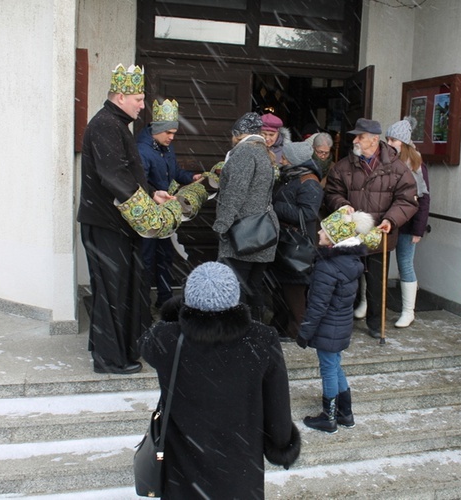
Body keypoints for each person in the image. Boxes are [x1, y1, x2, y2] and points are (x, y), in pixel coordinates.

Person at [139, 261, 301, 498]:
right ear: (234, 297)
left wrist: (175, 311)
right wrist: (281, 442)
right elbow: (277, 401)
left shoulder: (166, 339)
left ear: (188, 299)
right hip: (240, 468)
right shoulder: (262, 339)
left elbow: (144, 344)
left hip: (183, 470)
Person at [77, 64, 174, 375]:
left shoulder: (115, 124)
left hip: (115, 225)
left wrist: (152, 196)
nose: (143, 105)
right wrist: (149, 216)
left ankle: (115, 350)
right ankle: (109, 360)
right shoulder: (106, 125)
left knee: (120, 289)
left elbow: (128, 176)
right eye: (138, 99)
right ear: (120, 97)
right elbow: (114, 177)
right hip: (107, 225)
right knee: (111, 291)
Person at [324, 118, 418, 339]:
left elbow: (407, 200)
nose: (355, 140)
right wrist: (342, 204)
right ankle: (344, 321)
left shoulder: (396, 167)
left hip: (380, 234)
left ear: (374, 140)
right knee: (348, 280)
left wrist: (391, 220)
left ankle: (376, 323)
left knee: (377, 283)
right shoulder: (344, 165)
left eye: (360, 136)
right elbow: (331, 192)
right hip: (351, 234)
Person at [295, 207, 374, 433]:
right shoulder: (349, 263)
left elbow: (317, 306)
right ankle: (345, 413)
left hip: (327, 327)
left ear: (332, 240)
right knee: (335, 365)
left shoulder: (327, 267)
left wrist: (305, 333)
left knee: (329, 368)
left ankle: (328, 417)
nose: (318, 232)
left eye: (324, 230)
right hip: (341, 324)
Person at [213, 112, 280, 321]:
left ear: (237, 135)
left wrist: (221, 225)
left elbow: (235, 193)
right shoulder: (264, 153)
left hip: (244, 233)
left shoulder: (244, 154)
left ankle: (238, 335)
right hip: (263, 231)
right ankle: (255, 333)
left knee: (236, 289)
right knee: (253, 287)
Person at [137, 99, 202, 309]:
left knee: (165, 257)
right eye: (169, 133)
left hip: (166, 215)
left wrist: (191, 177)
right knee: (146, 260)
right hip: (148, 216)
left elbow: (174, 172)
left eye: (174, 133)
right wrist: (155, 193)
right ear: (157, 130)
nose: (172, 137)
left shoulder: (166, 147)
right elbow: (138, 184)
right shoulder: (142, 150)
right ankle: (142, 303)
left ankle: (164, 300)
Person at [269, 140, 323, 341]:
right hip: (286, 241)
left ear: (294, 160)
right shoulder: (293, 176)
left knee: (295, 290)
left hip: (298, 243)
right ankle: (281, 327)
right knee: (282, 288)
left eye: (284, 157)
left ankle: (297, 331)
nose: (281, 160)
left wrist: (275, 206)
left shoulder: (309, 182)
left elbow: (308, 213)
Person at [384, 117, 431, 328]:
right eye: (387, 138)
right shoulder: (384, 160)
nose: (388, 143)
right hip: (386, 219)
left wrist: (418, 229)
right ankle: (369, 303)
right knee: (375, 263)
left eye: (392, 139)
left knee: (405, 264)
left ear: (402, 142)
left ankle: (408, 311)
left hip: (408, 223)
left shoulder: (416, 165)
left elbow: (424, 198)